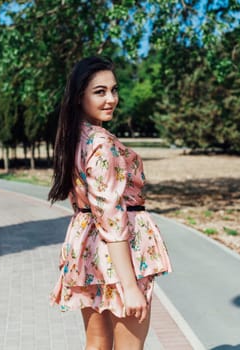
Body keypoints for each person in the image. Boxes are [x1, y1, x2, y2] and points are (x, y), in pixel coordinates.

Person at [48, 56, 172, 350]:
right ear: (80, 96)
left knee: (97, 344)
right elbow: (112, 218)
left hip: (88, 246)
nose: (111, 99)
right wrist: (129, 287)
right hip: (119, 251)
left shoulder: (73, 137)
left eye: (114, 90)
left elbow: (85, 204)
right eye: (99, 91)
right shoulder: (101, 143)